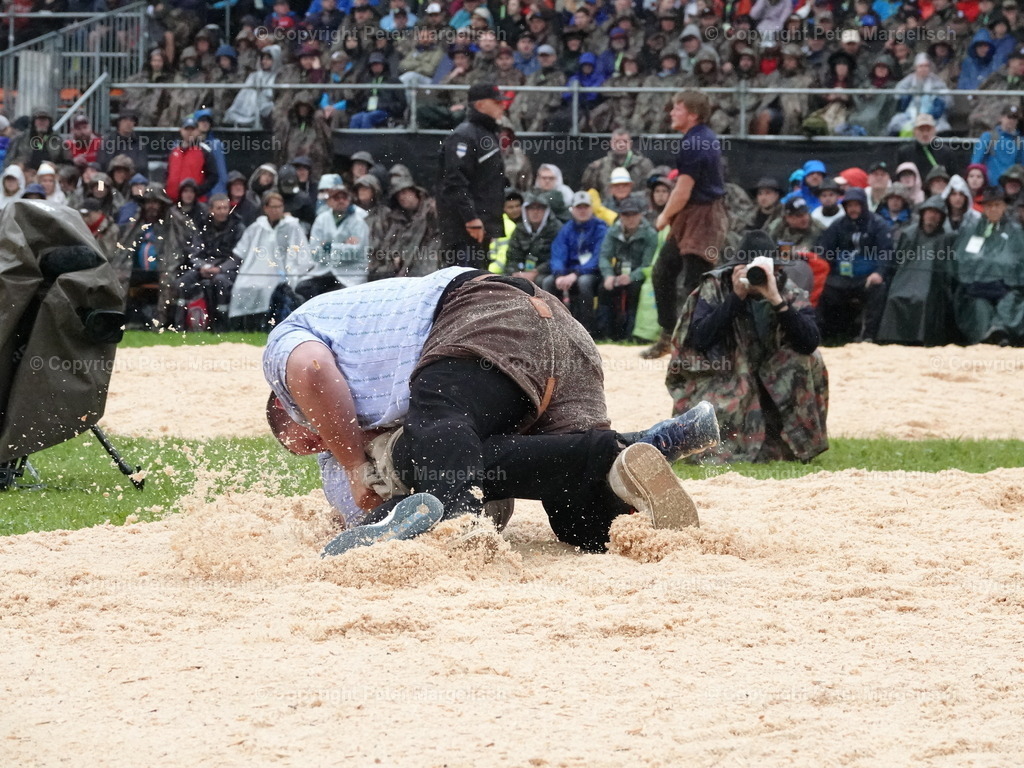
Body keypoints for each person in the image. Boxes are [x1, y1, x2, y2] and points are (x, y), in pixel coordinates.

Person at [263, 267, 720, 555]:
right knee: (578, 519)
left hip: (485, 314)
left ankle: (458, 525)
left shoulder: (288, 347)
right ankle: (635, 468)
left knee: (437, 421)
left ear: (292, 406)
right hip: (568, 337)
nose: (329, 442)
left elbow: (313, 368)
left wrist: (354, 465)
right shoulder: (372, 410)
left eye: (315, 434)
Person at [666, 230, 828, 464]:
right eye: (750, 270)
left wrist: (777, 301)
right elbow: (699, 340)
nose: (756, 278)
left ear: (776, 269)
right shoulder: (717, 285)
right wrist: (735, 298)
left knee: (811, 358)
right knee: (719, 414)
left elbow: (810, 341)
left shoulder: (785, 289)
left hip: (772, 380)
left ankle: (796, 442)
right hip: (725, 374)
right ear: (736, 268)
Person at [643, 90, 727, 360]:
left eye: (677, 108)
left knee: (697, 282)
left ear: (692, 114)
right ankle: (669, 336)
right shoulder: (700, 138)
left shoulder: (695, 143)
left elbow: (683, 189)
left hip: (702, 217)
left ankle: (699, 344)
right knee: (664, 272)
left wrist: (664, 216)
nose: (671, 113)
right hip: (693, 213)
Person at [437, 82, 507, 271]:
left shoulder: (487, 134)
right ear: (481, 105)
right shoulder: (463, 136)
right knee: (465, 285)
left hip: (482, 227)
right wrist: (470, 218)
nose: (503, 106)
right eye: (497, 102)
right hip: (465, 229)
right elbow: (454, 182)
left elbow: (487, 181)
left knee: (479, 284)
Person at [815, 187, 895, 342]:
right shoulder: (838, 225)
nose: (853, 209)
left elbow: (886, 252)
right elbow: (824, 249)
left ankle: (868, 336)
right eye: (849, 205)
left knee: (878, 288)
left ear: (863, 205)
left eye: (856, 205)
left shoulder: (877, 224)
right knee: (823, 289)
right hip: (842, 276)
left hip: (867, 276)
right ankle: (826, 335)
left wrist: (879, 272)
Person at [876, 195, 956, 346]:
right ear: (922, 214)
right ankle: (892, 338)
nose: (931, 216)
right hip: (906, 280)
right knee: (895, 297)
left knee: (923, 298)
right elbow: (898, 262)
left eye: (936, 213)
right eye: (929, 212)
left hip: (931, 283)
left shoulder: (946, 238)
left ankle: (920, 339)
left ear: (942, 217)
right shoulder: (908, 234)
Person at [229, 191, 314, 331]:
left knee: (272, 288)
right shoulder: (257, 227)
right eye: (273, 207)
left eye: (279, 206)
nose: (276, 210)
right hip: (257, 270)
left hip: (284, 271)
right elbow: (242, 251)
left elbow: (302, 253)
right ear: (266, 208)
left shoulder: (292, 226)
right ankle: (245, 326)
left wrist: (293, 270)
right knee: (242, 287)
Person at [950, 185, 1024, 345]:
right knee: (978, 307)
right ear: (983, 207)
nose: (993, 209)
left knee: (1010, 303)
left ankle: (1000, 330)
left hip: (1008, 287)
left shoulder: (1016, 231)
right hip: (976, 288)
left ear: (1004, 207)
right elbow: (960, 257)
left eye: (997, 205)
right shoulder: (971, 230)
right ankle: (986, 337)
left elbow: (1018, 258)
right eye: (989, 205)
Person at [543, 191, 608, 336]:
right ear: (572, 209)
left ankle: (587, 330)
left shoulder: (601, 228)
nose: (582, 210)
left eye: (586, 207)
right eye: (579, 207)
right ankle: (554, 330)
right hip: (568, 272)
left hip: (592, 272)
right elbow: (558, 253)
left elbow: (598, 256)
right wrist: (559, 274)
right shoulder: (566, 229)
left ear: (591, 208)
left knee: (584, 283)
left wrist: (577, 273)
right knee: (548, 282)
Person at [598, 194, 657, 341]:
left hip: (638, 275)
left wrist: (631, 277)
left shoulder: (650, 234)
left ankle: (630, 335)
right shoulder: (613, 231)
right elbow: (604, 256)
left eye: (634, 214)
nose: (630, 218)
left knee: (634, 290)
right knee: (604, 289)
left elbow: (647, 264)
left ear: (640, 215)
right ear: (621, 216)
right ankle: (605, 334)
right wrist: (608, 275)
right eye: (626, 214)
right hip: (617, 272)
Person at [302, 181, 370, 299]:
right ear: (329, 201)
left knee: (340, 296)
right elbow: (314, 252)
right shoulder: (321, 220)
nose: (341, 201)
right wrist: (342, 245)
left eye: (344, 197)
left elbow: (355, 252)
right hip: (324, 271)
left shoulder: (358, 222)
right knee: (302, 288)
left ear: (349, 200)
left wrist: (328, 246)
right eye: (336, 197)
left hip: (351, 273)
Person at [368, 178, 440, 280]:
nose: (402, 197)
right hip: (402, 271)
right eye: (398, 195)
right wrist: (395, 256)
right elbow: (388, 245)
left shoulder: (431, 210)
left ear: (415, 192)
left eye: (405, 192)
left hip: (428, 267)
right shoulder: (397, 219)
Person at [502, 192, 560, 284]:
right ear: (525, 210)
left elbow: (557, 258)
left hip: (547, 272)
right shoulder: (519, 229)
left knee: (542, 281)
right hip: (523, 270)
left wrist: (536, 272)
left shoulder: (556, 229)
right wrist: (516, 272)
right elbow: (512, 257)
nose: (535, 212)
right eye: (531, 208)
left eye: (539, 208)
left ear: (546, 211)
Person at [165, 116, 220, 204]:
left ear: (197, 131)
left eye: (192, 129)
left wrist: (197, 191)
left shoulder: (205, 151)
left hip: (195, 203)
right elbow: (167, 173)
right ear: (181, 130)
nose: (189, 132)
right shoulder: (173, 151)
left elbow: (213, 176)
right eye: (187, 129)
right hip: (172, 201)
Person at [895, 113, 958, 182]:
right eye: (921, 130)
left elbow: (954, 177)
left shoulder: (946, 153)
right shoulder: (904, 153)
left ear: (934, 131)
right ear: (914, 132)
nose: (925, 134)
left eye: (928, 130)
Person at [971, 105, 1024, 186]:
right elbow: (976, 163)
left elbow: (1021, 165)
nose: (1012, 120)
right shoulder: (988, 137)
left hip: (1011, 187)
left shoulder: (1020, 141)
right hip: (991, 187)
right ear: (1001, 118)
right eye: (1009, 117)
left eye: (1015, 118)